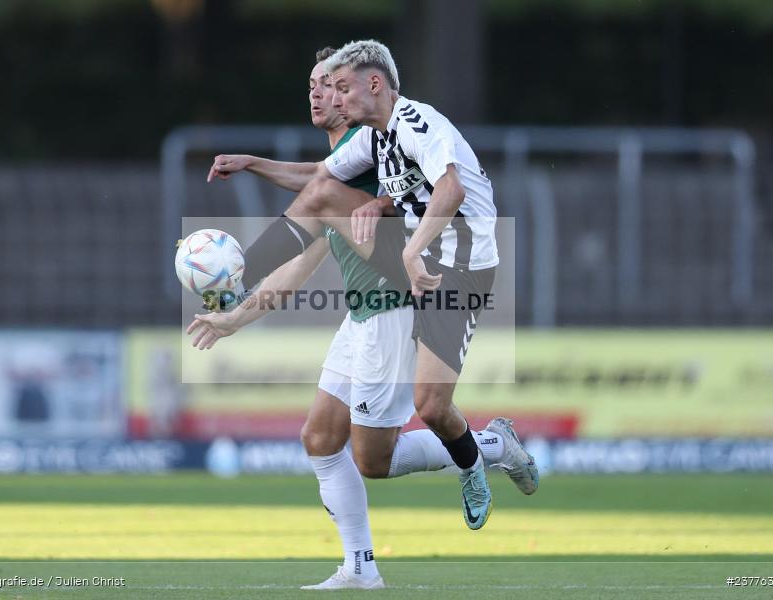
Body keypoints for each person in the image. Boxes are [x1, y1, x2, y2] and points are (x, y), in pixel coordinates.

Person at [191, 47, 534, 591]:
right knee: (326, 437)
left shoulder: (413, 124)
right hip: (383, 296)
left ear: (371, 84)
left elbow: (449, 187)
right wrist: (254, 164)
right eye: (319, 84)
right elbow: (317, 186)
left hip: (451, 272)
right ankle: (361, 567)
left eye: (336, 85)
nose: (327, 94)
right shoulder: (371, 140)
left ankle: (485, 451)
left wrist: (405, 240)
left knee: (414, 420)